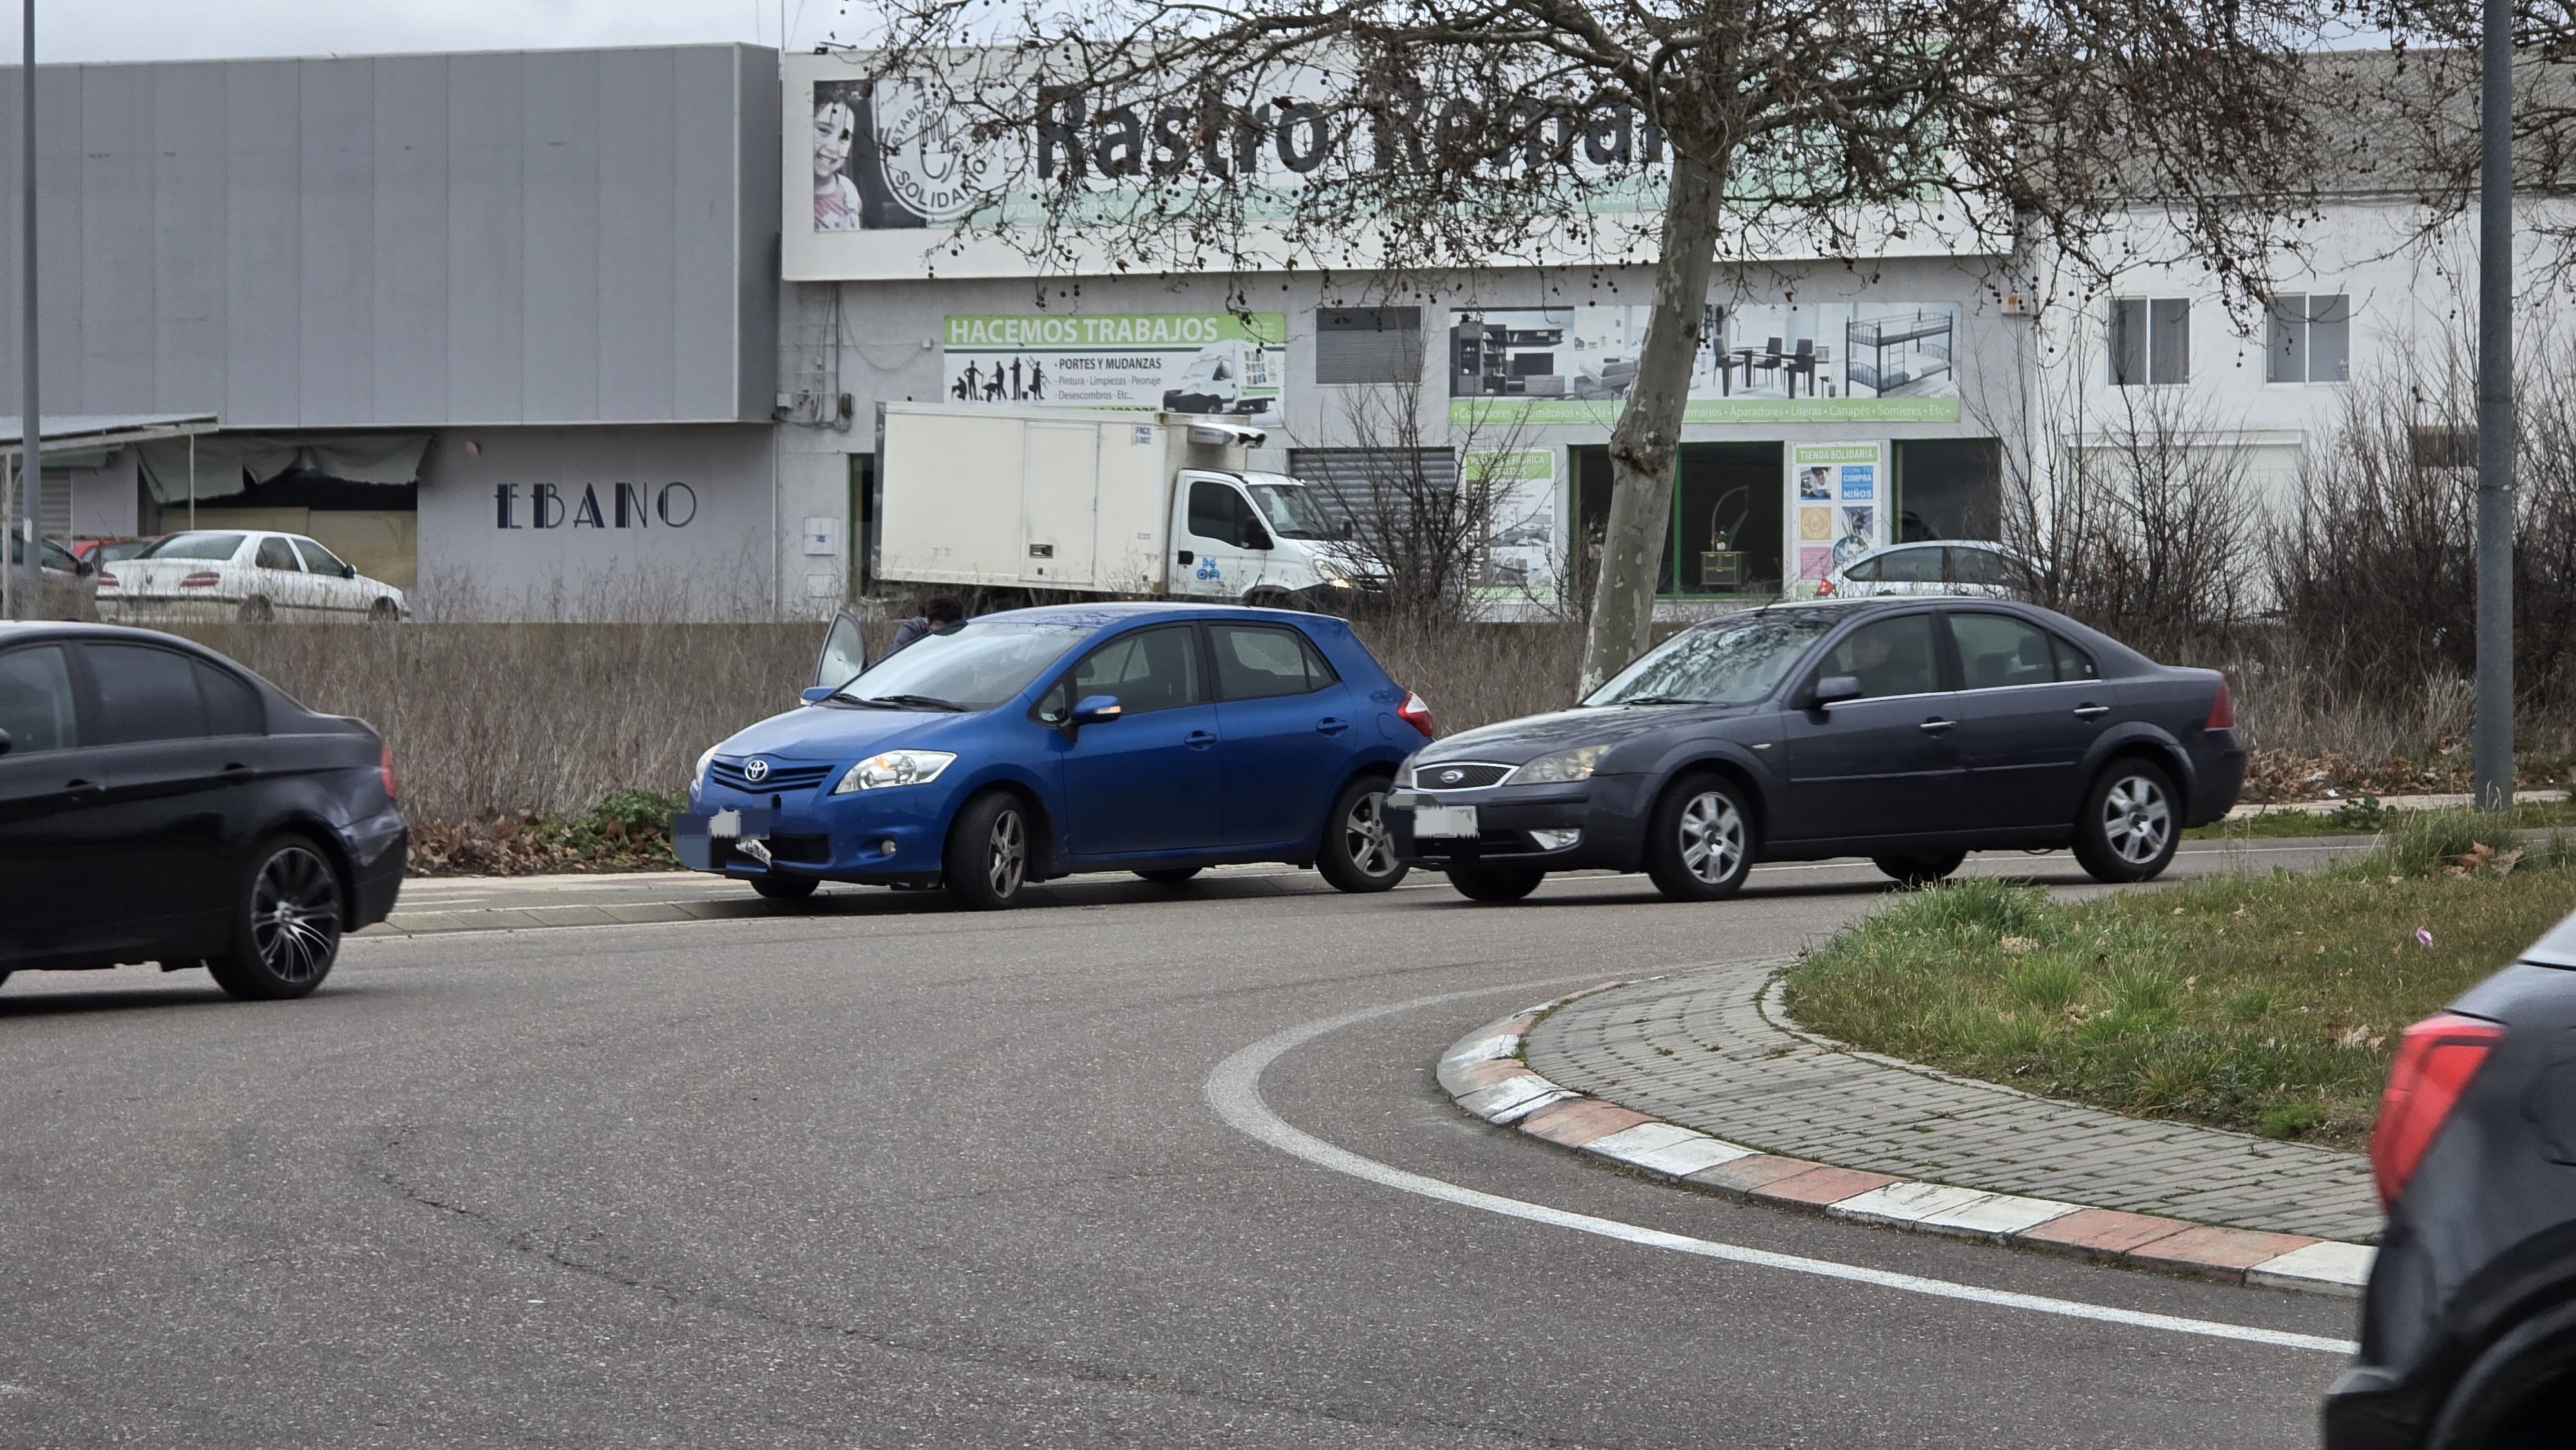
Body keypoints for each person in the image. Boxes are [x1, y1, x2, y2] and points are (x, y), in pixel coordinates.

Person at [887, 596, 965, 655]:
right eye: (942, 632)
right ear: (928, 625)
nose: (947, 636)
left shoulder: (965, 635)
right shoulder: (911, 633)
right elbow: (897, 663)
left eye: (952, 631)